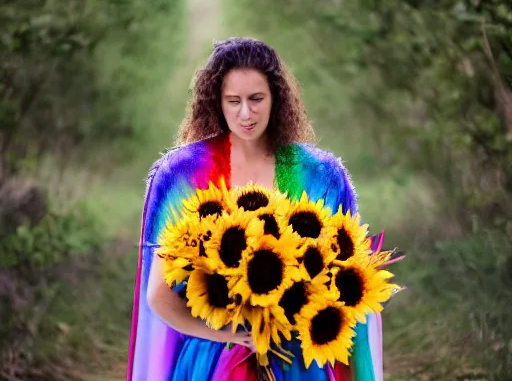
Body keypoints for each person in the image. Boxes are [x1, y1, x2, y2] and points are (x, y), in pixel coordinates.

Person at [126, 37, 384, 381]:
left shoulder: (319, 174)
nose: (245, 113)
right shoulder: (183, 174)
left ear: (277, 99)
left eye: (256, 99)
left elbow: (349, 296)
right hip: (214, 363)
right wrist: (227, 335)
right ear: (216, 103)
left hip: (299, 361)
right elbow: (158, 295)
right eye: (233, 101)